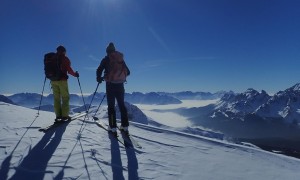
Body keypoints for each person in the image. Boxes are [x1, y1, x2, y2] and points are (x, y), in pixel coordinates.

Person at [96, 42, 130, 135]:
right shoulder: (120, 59)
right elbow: (128, 72)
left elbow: (99, 69)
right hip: (120, 85)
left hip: (110, 85)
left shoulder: (106, 59)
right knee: (121, 105)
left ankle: (113, 127)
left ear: (107, 51)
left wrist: (99, 78)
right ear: (114, 50)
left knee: (111, 106)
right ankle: (125, 126)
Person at [52, 45, 79, 122]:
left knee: (56, 99)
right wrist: (75, 74)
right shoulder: (65, 59)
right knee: (65, 98)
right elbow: (69, 70)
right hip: (62, 81)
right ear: (64, 51)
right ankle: (64, 116)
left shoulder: (52, 58)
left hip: (53, 81)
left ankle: (58, 115)